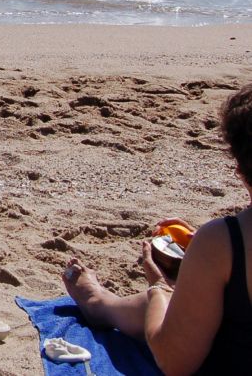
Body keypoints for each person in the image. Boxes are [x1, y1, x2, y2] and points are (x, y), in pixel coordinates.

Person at [62, 82, 252, 374]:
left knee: (176, 301)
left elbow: (174, 361)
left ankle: (103, 305)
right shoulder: (224, 243)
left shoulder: (223, 242)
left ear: (240, 171)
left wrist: (158, 286)